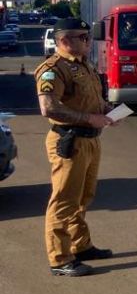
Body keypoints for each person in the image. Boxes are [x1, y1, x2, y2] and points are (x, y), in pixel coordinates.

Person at [35, 18, 116, 277]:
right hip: (70, 140)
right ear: (64, 41)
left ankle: (81, 246)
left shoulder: (84, 66)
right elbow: (49, 107)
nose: (88, 42)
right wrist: (90, 119)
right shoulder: (53, 69)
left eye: (88, 37)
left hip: (91, 140)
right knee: (64, 199)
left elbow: (92, 100)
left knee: (83, 197)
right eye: (82, 37)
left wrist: (107, 111)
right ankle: (59, 258)